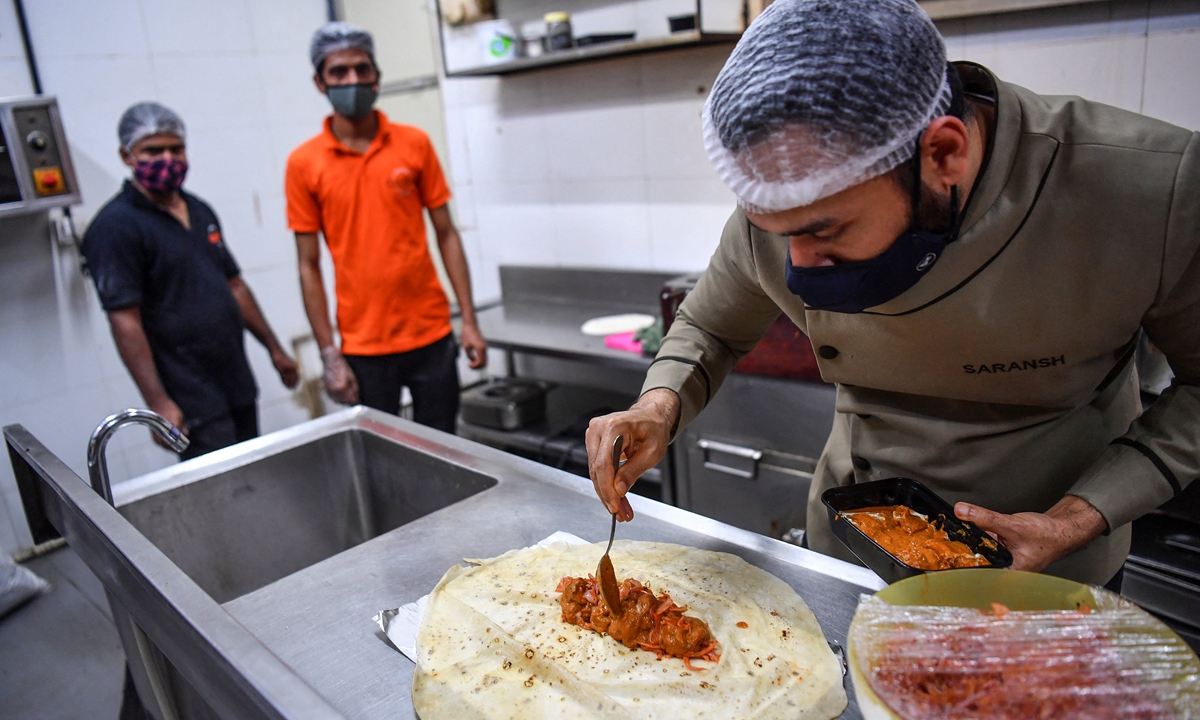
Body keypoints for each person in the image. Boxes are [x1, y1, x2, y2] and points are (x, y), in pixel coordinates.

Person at [585, 0, 1200, 588]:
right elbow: (713, 327)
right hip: (855, 555)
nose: (797, 268)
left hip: (1049, 570)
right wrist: (657, 407)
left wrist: (1077, 518)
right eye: (778, 232)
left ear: (943, 154)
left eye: (825, 231)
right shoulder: (795, 200)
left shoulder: (1146, 192)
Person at [286, 22, 487, 433]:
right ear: (319, 81)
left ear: (377, 73)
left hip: (430, 334)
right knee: (381, 455)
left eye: (362, 69)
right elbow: (308, 265)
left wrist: (468, 319)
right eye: (339, 72)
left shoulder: (413, 143)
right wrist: (329, 354)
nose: (353, 80)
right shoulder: (305, 164)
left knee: (445, 448)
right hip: (364, 346)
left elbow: (446, 233)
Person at [82, 102, 299, 461]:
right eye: (152, 150)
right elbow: (125, 321)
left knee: (253, 476)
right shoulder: (115, 228)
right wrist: (159, 403)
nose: (168, 158)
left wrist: (275, 350)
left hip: (236, 381)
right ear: (127, 156)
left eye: (176, 148)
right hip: (190, 396)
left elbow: (235, 286)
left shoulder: (198, 209)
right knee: (221, 490)